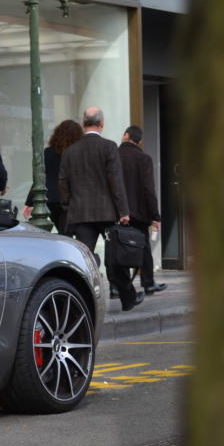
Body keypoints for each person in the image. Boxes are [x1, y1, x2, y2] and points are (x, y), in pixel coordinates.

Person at [59, 107, 142, 311]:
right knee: (115, 257)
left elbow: (62, 182)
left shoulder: (70, 151)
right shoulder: (108, 147)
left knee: (82, 260)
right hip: (106, 212)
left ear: (83, 124)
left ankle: (79, 301)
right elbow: (116, 180)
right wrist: (123, 211)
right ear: (101, 124)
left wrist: (68, 206)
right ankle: (127, 297)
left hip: (80, 213)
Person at [117, 125, 165, 293]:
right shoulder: (144, 159)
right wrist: (155, 216)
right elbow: (149, 190)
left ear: (125, 136)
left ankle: (118, 287)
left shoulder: (113, 156)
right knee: (144, 247)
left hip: (116, 212)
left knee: (118, 249)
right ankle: (148, 283)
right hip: (138, 213)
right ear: (140, 141)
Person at [23, 119, 82, 233]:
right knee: (67, 232)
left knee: (63, 231)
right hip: (71, 199)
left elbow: (40, 178)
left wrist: (29, 202)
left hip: (52, 200)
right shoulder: (77, 153)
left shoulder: (48, 152)